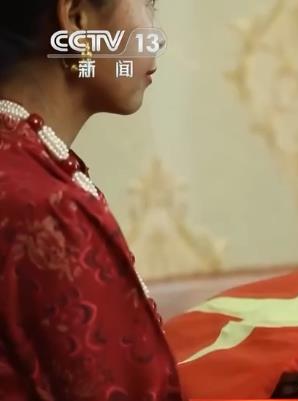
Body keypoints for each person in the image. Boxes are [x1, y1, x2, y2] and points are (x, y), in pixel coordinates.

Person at [0, 1, 179, 400]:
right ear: (78, 21)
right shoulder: (46, 213)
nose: (155, 37)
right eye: (147, 3)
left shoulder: (23, 168)